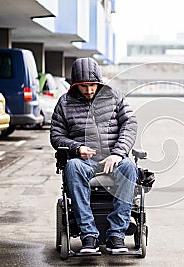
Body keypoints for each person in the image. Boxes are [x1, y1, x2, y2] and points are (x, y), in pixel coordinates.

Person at [50, 57, 138, 253]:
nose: (89, 91)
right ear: (75, 85)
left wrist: (118, 153)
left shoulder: (115, 96)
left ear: (99, 82)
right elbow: (56, 136)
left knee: (130, 168)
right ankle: (88, 235)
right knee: (72, 167)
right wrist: (76, 148)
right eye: (83, 86)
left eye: (92, 85)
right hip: (84, 161)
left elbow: (130, 125)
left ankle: (116, 234)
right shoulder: (65, 103)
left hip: (113, 159)